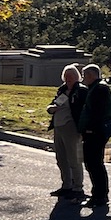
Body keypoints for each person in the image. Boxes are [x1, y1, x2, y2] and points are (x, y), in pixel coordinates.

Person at [78, 63, 111, 210]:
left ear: (91, 75)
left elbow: (97, 112)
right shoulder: (96, 88)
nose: (83, 79)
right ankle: (98, 194)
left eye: (84, 75)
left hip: (96, 132)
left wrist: (90, 129)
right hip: (94, 131)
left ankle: (100, 195)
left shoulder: (99, 89)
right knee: (92, 163)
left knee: (94, 164)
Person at [47, 64, 86, 200]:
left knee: (74, 159)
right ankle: (66, 185)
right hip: (58, 126)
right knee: (61, 158)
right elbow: (54, 103)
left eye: (71, 77)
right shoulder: (62, 90)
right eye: (66, 77)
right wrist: (51, 108)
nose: (68, 80)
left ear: (77, 77)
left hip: (71, 128)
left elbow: (83, 110)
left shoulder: (81, 91)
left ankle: (78, 187)